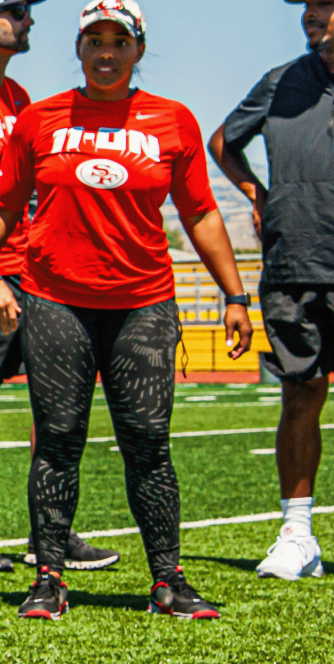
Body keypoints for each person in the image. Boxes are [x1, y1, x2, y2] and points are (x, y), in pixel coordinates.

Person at [0, 0, 254, 621]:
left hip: (143, 304)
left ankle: (169, 579)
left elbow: (201, 213)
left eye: (119, 41)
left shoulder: (174, 121)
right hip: (56, 302)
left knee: (149, 444)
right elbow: (2, 207)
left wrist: (236, 294)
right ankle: (50, 578)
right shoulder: (41, 118)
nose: (106, 52)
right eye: (94, 41)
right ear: (79, 49)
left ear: (139, 49)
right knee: (57, 441)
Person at [0, 0, 120, 573]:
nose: (29, 19)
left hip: (33, 275)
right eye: (15, 11)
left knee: (53, 407)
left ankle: (49, 535)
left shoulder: (20, 100)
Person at [208, 0, 333, 582]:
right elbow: (222, 142)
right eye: (309, 5)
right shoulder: (280, 82)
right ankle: (297, 533)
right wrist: (258, 194)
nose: (314, 14)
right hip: (296, 258)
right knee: (301, 394)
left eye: (326, 4)